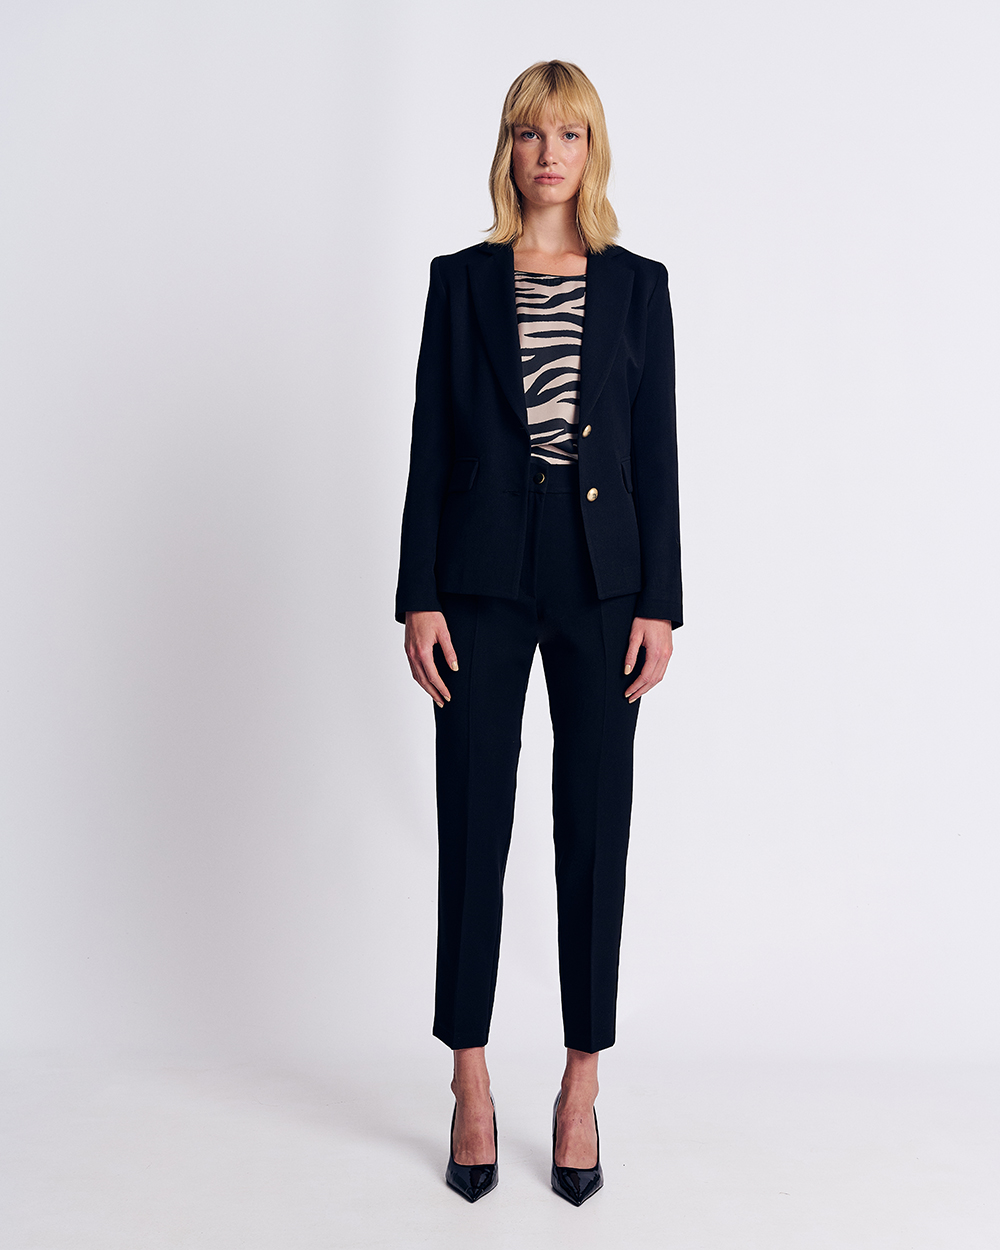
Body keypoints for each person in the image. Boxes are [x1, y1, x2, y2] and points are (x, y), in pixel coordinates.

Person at [394, 59, 681, 1205]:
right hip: (477, 577)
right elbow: (429, 440)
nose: (548, 153)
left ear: (592, 150)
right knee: (472, 818)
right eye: (529, 132)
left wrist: (660, 600)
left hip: (603, 582)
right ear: (507, 150)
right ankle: (467, 1075)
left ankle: (579, 1081)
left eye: (568, 133)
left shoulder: (638, 286)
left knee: (593, 826)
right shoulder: (459, 282)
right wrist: (417, 592)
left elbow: (656, 452)